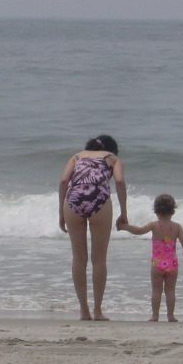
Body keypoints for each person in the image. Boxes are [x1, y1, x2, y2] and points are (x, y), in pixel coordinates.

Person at [59, 134, 128, 321]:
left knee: (78, 258)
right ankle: (98, 311)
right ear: (111, 149)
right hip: (99, 199)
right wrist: (124, 213)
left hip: (73, 200)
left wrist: (61, 213)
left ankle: (84, 311)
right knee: (99, 259)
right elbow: (120, 182)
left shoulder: (76, 156)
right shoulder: (113, 158)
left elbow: (64, 181)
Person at [117, 194, 183, 322]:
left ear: (156, 210)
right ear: (173, 211)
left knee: (156, 290)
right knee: (170, 290)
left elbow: (139, 231)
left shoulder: (154, 225)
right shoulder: (177, 227)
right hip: (172, 263)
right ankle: (170, 316)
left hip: (157, 264)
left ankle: (155, 315)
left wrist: (124, 227)